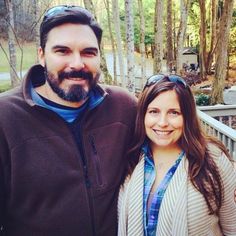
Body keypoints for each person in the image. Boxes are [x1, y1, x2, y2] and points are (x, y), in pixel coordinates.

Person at [0, 5, 137, 235]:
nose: (77, 64)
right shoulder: (5, 118)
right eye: (62, 51)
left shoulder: (124, 107)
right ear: (42, 55)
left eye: (88, 52)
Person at [118, 74, 236, 236]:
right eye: (154, 111)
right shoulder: (132, 157)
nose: (162, 122)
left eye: (174, 112)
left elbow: (233, 225)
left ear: (187, 117)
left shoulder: (213, 160)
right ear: (143, 114)